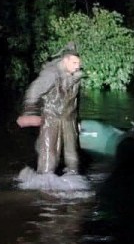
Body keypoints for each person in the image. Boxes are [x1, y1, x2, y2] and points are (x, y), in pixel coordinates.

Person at [16, 43, 85, 175]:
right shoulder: (51, 74)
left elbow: (76, 101)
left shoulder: (76, 77)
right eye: (74, 62)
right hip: (51, 117)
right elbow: (33, 91)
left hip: (69, 118)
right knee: (49, 153)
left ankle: (73, 175)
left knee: (72, 155)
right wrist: (30, 112)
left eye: (78, 63)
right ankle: (45, 179)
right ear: (65, 60)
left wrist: (77, 121)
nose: (78, 66)